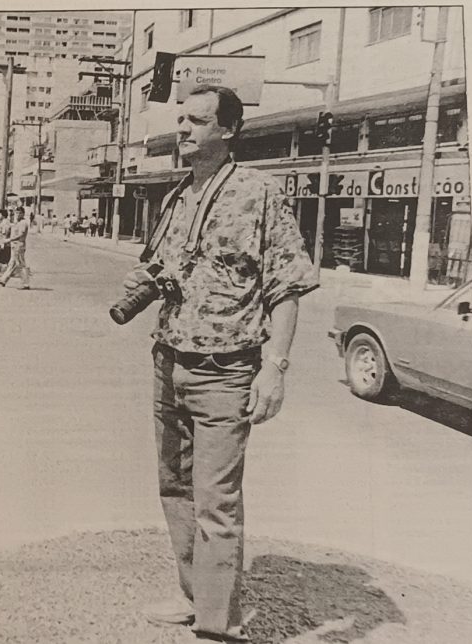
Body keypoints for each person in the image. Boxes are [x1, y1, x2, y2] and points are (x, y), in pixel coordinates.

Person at [122, 85, 318, 643]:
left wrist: (275, 368)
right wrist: (142, 280)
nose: (182, 129)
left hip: (225, 369)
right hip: (169, 360)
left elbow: (286, 286)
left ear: (228, 130)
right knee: (175, 489)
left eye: (197, 121)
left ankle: (217, 626)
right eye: (181, 119)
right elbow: (164, 266)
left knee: (217, 500)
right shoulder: (176, 195)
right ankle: (194, 596)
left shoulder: (260, 193)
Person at [0, 207, 31, 290]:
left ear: (23, 214)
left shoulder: (23, 223)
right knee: (12, 264)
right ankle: (4, 280)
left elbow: (20, 234)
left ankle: (26, 283)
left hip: (19, 245)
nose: (17, 214)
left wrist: (10, 240)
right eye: (16, 213)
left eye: (19, 213)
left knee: (21, 264)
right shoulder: (17, 222)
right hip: (15, 246)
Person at [0, 210, 12, 276]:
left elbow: (4, 233)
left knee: (0, 258)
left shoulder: (5, 223)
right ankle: (6, 271)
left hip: (2, 243)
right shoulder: (3, 222)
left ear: (3, 215)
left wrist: (2, 244)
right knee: (4, 258)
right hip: (1, 242)